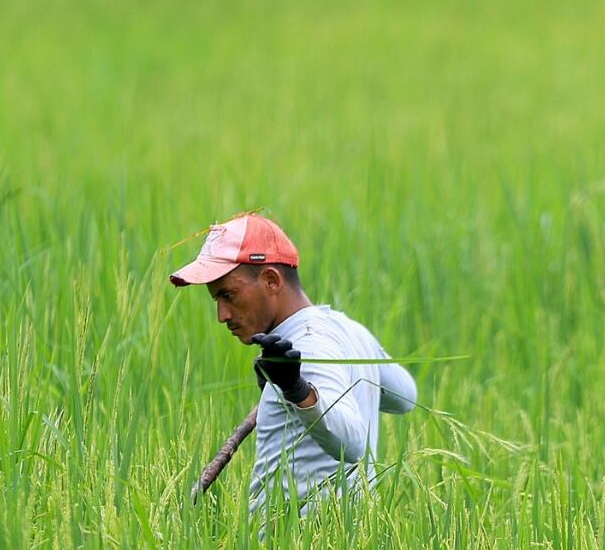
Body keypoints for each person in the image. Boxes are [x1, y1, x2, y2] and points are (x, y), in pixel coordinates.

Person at [169, 213, 418, 514]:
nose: (222, 315)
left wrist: (298, 391)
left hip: (301, 547)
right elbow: (405, 396)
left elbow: (352, 445)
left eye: (228, 295)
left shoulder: (308, 344)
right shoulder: (346, 330)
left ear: (271, 280)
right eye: (216, 300)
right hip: (345, 537)